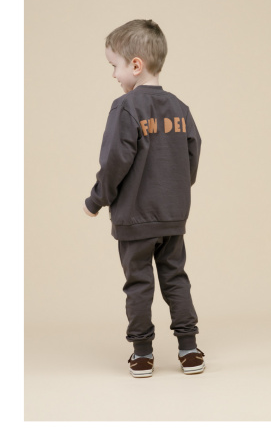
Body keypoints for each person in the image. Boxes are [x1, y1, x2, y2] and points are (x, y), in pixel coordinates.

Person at [83, 19, 205, 377]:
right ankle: (189, 348)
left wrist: (96, 199)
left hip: (135, 219)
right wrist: (177, 191)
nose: (114, 75)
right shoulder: (180, 108)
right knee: (175, 277)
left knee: (138, 284)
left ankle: (141, 353)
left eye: (115, 66)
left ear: (135, 65)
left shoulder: (126, 108)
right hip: (172, 216)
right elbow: (193, 153)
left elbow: (114, 162)